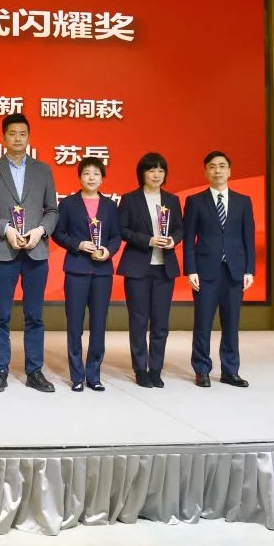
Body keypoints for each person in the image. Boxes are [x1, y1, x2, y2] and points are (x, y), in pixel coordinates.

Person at [0, 113, 59, 393]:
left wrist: (40, 231)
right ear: (3, 138)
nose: (17, 138)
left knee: (34, 316)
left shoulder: (43, 170)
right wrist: (6, 229)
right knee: (1, 315)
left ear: (29, 137)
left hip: (36, 251)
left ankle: (34, 371)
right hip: (4, 250)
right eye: (12, 134)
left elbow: (52, 210)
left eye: (22, 134)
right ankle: (0, 371)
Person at [183, 150, 256, 389]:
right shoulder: (195, 201)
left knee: (231, 324)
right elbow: (189, 239)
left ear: (229, 171)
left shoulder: (243, 201)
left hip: (235, 271)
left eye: (222, 166)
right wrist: (190, 270)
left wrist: (249, 270)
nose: (217, 170)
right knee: (202, 324)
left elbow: (248, 238)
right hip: (205, 272)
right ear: (205, 172)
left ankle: (230, 371)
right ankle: (202, 369)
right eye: (212, 166)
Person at [51, 157, 121, 392]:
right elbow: (58, 233)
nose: (91, 178)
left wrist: (108, 251)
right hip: (77, 270)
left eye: (96, 173)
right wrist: (78, 244)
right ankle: (77, 376)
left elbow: (116, 236)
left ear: (103, 178)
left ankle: (94, 374)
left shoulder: (110, 206)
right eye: (87, 173)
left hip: (102, 272)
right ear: (79, 177)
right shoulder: (68, 204)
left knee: (99, 324)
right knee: (75, 325)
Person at [116, 152, 183, 388]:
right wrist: (148, 240)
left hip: (164, 269)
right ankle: (140, 369)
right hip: (138, 268)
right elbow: (122, 230)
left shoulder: (172, 200)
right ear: (142, 173)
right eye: (151, 170)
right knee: (138, 321)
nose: (156, 174)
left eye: (160, 170)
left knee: (161, 322)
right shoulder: (130, 199)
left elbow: (180, 228)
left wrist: (173, 240)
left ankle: (155, 369)